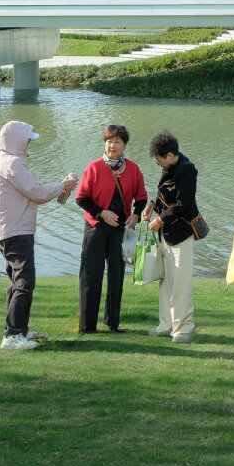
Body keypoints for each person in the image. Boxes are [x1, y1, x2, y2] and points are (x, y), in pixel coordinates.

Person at [0, 121, 77, 350]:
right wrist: (63, 185)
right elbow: (36, 192)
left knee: (16, 282)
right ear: (17, 140)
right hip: (16, 231)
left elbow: (35, 194)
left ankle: (19, 329)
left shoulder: (4, 160)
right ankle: (12, 336)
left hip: (11, 230)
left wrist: (61, 187)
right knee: (24, 281)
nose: (28, 143)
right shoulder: (12, 163)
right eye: (27, 138)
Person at [75, 125, 147, 334]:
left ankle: (113, 322)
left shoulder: (133, 169)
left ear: (124, 145)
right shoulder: (94, 167)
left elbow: (141, 198)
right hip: (95, 227)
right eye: (109, 141)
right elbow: (81, 198)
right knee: (91, 276)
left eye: (117, 142)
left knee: (116, 275)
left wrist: (136, 215)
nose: (112, 145)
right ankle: (87, 326)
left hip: (119, 229)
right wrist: (101, 213)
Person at [142, 131, 199, 342]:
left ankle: (184, 328)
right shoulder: (169, 168)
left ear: (170, 155)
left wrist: (160, 220)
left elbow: (183, 203)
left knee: (180, 283)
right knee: (165, 281)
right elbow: (164, 196)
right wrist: (152, 205)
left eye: (159, 159)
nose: (157, 163)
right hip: (165, 235)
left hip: (181, 234)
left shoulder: (187, 170)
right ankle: (166, 325)